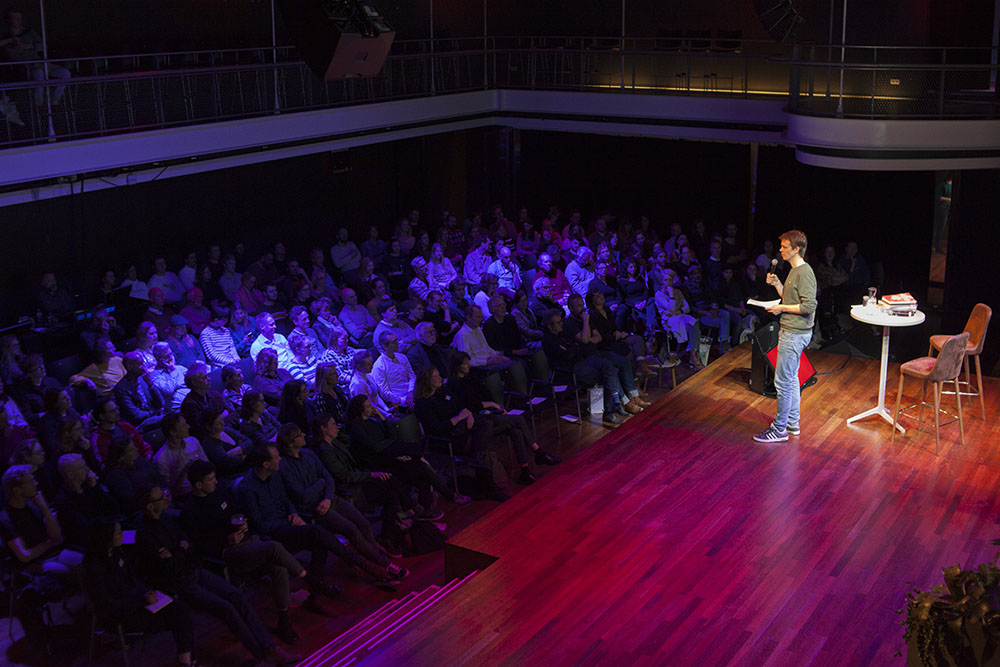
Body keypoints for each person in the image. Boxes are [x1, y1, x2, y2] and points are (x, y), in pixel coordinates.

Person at [135, 485, 301, 665]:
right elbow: (169, 564)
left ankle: (270, 649)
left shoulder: (169, 519)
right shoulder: (145, 534)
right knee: (226, 608)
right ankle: (261, 655)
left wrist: (178, 551)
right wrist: (181, 550)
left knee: (237, 596)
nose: (167, 498)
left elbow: (191, 547)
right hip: (179, 583)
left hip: (195, 570)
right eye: (161, 498)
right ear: (150, 507)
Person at [182, 461, 307, 643]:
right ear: (198, 485)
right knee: (273, 547)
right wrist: (226, 540)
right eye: (210, 480)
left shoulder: (220, 492)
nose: (215, 482)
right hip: (226, 552)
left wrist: (244, 524)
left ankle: (284, 621)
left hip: (247, 542)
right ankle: (306, 576)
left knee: (278, 568)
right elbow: (197, 547)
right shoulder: (190, 510)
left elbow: (236, 512)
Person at [277, 424, 406, 582]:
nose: (304, 434)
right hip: (316, 508)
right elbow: (303, 496)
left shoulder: (309, 454)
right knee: (351, 530)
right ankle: (384, 565)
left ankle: (377, 559)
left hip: (330, 499)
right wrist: (320, 484)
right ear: (290, 443)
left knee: (363, 524)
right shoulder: (284, 467)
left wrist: (328, 496)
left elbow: (328, 478)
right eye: (299, 434)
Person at [449, 353, 560, 485]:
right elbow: (468, 406)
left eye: (468, 362)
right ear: (457, 366)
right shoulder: (454, 385)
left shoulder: (471, 379)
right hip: (480, 422)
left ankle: (525, 471)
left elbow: (485, 394)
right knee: (518, 420)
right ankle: (539, 452)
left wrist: (495, 408)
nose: (468, 365)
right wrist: (489, 404)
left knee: (517, 432)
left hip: (488, 414)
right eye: (465, 363)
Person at [754, 230, 817, 444]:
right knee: (790, 380)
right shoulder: (793, 271)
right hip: (792, 331)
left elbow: (808, 306)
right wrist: (778, 285)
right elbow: (790, 297)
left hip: (794, 333)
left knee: (782, 381)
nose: (780, 250)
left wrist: (781, 308)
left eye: (784, 247)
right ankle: (792, 422)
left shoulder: (804, 272)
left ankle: (779, 429)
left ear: (796, 249)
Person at [153, 412, 209, 497]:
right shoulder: (161, 459)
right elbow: (169, 491)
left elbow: (206, 464)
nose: (188, 426)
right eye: (183, 425)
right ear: (173, 432)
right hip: (186, 495)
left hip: (205, 485)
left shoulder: (193, 441)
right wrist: (183, 471)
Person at [452, 305, 513, 372]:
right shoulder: (462, 335)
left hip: (489, 360)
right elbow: (466, 361)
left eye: (481, 317)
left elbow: (486, 348)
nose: (480, 319)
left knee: (515, 362)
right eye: (478, 317)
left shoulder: (477, 329)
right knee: (512, 367)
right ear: (468, 317)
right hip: (480, 368)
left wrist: (498, 356)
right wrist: (486, 362)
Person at [114, 351, 163, 431]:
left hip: (154, 415)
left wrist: (151, 384)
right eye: (140, 364)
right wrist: (153, 412)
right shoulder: (121, 388)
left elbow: (161, 403)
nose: (144, 367)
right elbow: (135, 415)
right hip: (140, 424)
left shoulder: (144, 379)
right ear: (129, 367)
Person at [371, 331, 416, 409]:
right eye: (394, 342)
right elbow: (385, 393)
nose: (398, 343)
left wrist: (411, 392)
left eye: (397, 340)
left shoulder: (402, 357)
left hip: (412, 393)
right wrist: (404, 400)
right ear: (384, 346)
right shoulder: (379, 366)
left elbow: (412, 376)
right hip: (398, 402)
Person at [149, 342, 189, 410]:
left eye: (171, 354)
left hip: (193, 400)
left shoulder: (180, 368)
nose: (170, 358)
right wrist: (173, 371)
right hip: (178, 407)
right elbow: (168, 391)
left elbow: (193, 382)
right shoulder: (154, 375)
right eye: (166, 356)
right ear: (158, 359)